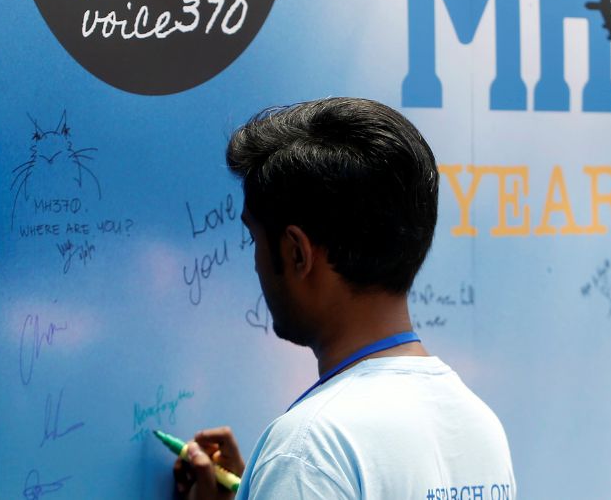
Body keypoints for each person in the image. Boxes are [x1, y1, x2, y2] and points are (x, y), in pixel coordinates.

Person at [173, 97, 516, 499]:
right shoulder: (479, 424)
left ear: (297, 252)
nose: (255, 265)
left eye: (254, 239)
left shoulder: (307, 451)